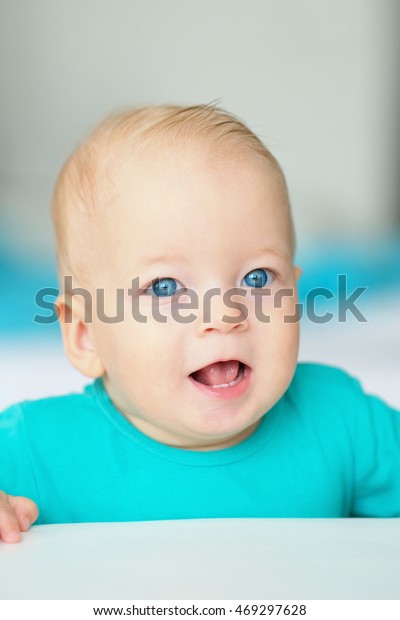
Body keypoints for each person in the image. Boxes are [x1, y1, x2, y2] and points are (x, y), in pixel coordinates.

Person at [0, 104, 399, 544]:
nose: (224, 315)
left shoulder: (342, 419)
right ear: (85, 334)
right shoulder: (31, 450)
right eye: (166, 287)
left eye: (257, 279)